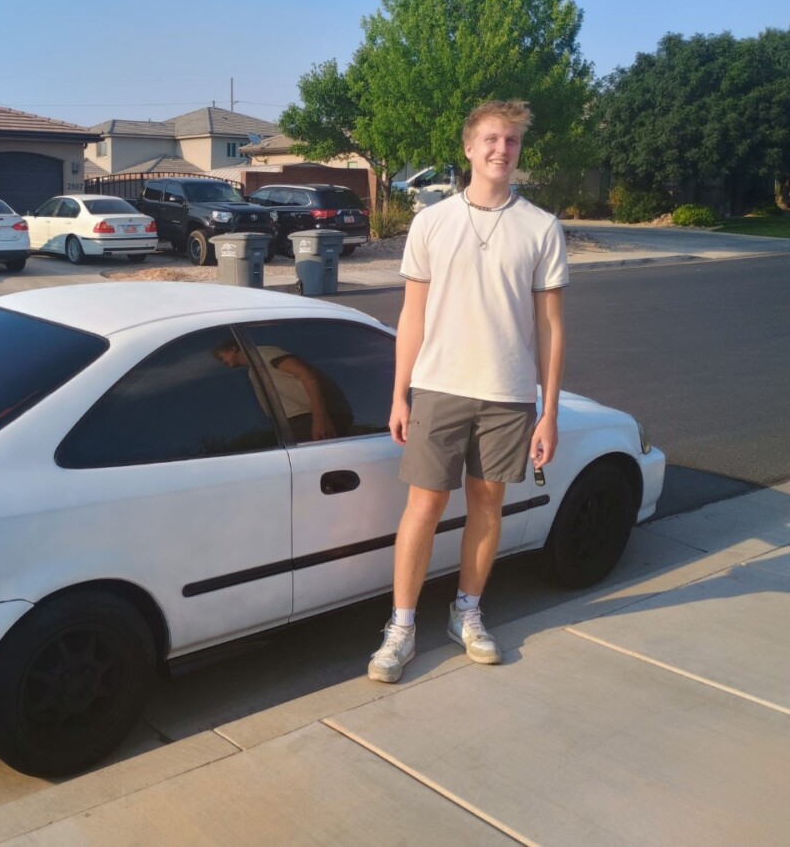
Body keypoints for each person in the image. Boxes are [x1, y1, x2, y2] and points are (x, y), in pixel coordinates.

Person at [368, 99, 568, 683]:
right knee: (424, 507)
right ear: (468, 147)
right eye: (491, 139)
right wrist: (399, 393)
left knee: (487, 505)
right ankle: (402, 626)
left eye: (511, 141)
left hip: (508, 395)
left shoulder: (541, 227)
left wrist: (548, 411)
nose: (501, 149)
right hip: (438, 388)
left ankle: (467, 614)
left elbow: (552, 328)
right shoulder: (432, 222)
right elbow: (412, 316)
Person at [213, 339, 352, 442]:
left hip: (309, 418)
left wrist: (320, 417)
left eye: (221, 357)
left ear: (233, 348)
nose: (223, 362)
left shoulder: (263, 354)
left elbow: (307, 375)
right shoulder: (254, 368)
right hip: (299, 421)